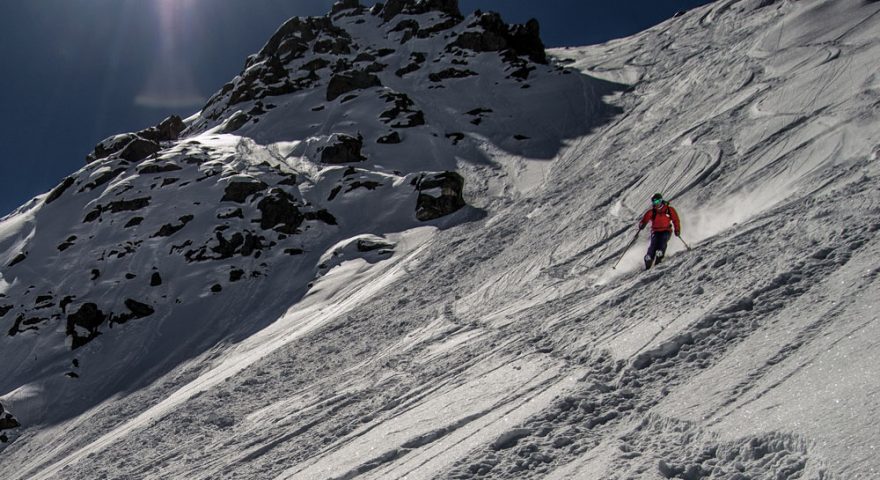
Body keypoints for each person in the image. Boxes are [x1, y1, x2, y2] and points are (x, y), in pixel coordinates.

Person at [638, 193, 681, 270]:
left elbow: (675, 220)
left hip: (666, 230)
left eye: (658, 201)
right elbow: (644, 220)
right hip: (655, 231)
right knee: (653, 244)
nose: (656, 204)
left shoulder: (669, 210)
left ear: (661, 200)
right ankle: (649, 257)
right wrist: (642, 225)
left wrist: (677, 229)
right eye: (654, 202)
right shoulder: (652, 212)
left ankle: (660, 254)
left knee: (663, 240)